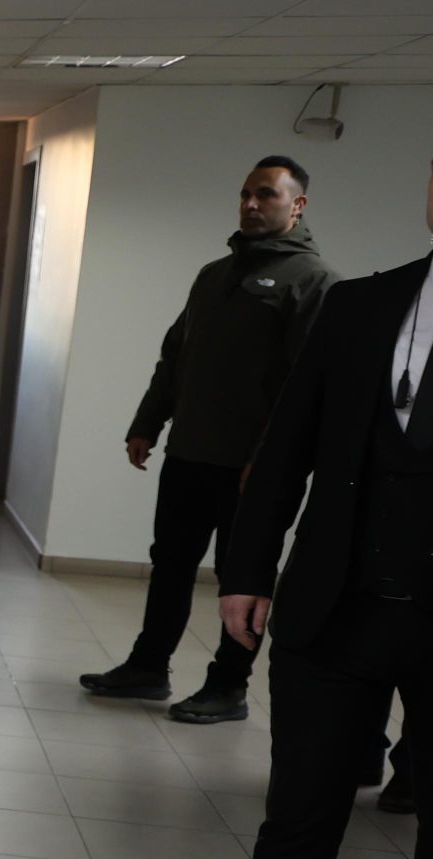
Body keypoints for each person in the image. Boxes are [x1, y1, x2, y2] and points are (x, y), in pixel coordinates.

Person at [174, 148, 433, 859]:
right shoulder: (360, 305)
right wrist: (247, 569)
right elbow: (287, 444)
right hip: (335, 607)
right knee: (298, 817)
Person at [80, 156, 335, 724]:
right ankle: (149, 667)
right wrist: (148, 422)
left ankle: (229, 686)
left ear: (297, 204)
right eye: (245, 193)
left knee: (242, 578)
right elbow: (176, 355)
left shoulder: (314, 281)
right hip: (190, 454)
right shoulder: (214, 274)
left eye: (266, 194)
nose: (251, 204)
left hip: (252, 470)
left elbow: (304, 389)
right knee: (170, 564)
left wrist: (267, 461)